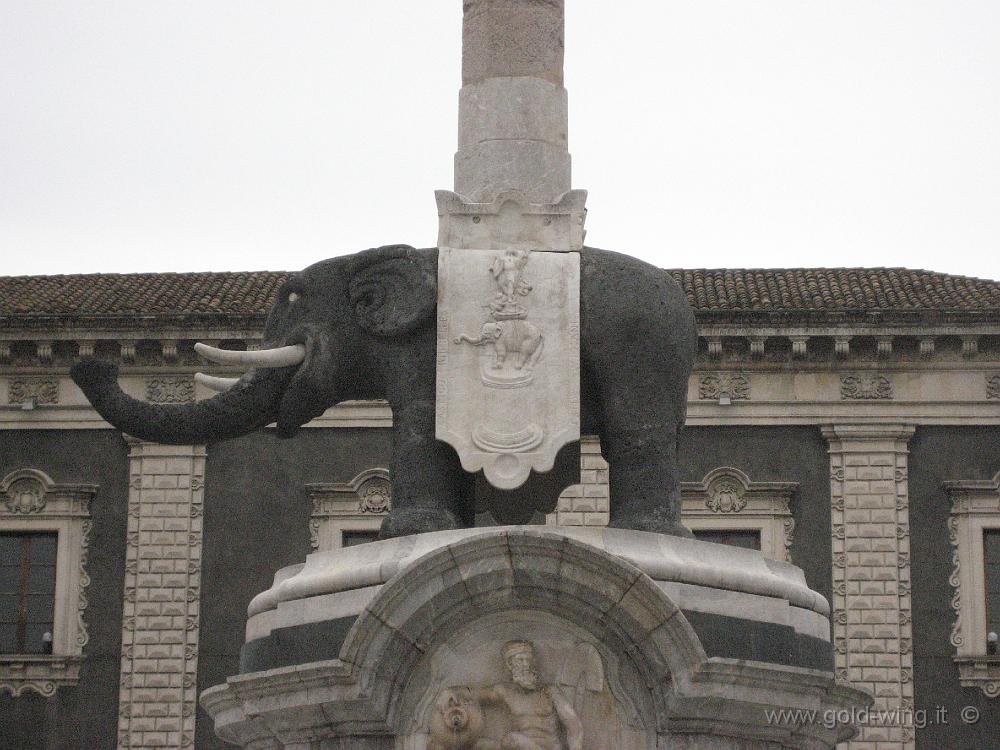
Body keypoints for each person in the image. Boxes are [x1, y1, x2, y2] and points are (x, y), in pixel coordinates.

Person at [476, 641, 583, 750]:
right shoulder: (504, 691)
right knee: (498, 742)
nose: (526, 665)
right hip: (521, 746)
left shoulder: (550, 691)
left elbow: (573, 724)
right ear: (510, 665)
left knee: (512, 739)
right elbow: (473, 694)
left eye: (528, 660)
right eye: (520, 660)